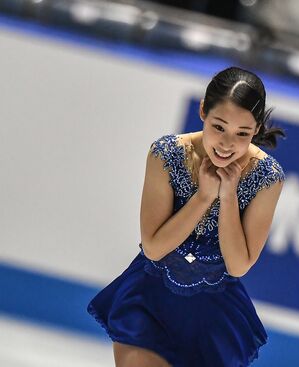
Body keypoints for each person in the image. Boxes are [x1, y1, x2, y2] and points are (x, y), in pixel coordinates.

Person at [87, 66, 286, 367]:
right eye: (219, 127)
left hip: (212, 317)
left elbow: (238, 264)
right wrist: (203, 197)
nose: (227, 143)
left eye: (242, 134)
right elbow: (154, 248)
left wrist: (227, 196)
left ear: (256, 130)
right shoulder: (166, 153)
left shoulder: (266, 176)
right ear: (203, 111)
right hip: (150, 300)